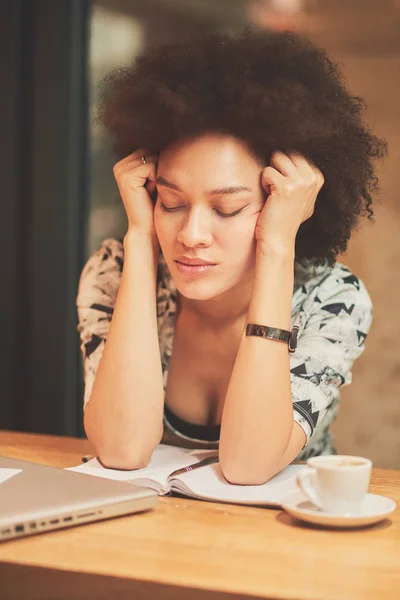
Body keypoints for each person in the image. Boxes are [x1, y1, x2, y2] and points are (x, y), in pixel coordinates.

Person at [76, 29, 386, 485]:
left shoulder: (332, 299)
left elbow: (247, 465)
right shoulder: (114, 271)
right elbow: (122, 450)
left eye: (228, 209)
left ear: (283, 202)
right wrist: (141, 239)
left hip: (285, 540)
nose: (192, 235)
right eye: (172, 202)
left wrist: (279, 247)